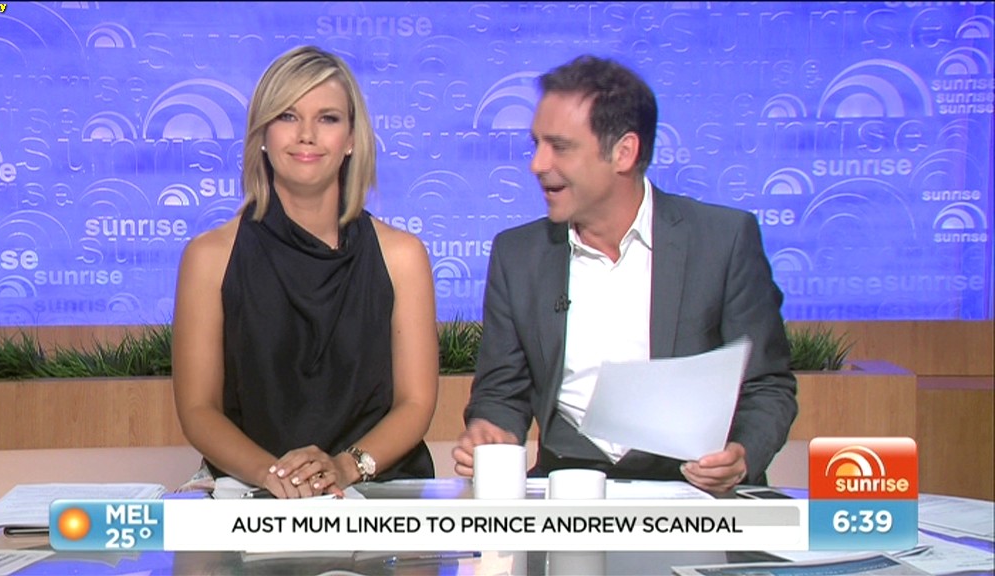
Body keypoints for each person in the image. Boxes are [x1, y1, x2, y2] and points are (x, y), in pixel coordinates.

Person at [453, 55, 797, 494]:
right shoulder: (518, 255)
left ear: (624, 152)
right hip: (569, 492)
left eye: (560, 146)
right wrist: (490, 432)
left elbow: (767, 385)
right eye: (536, 144)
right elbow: (501, 393)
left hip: (694, 494)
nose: (537, 164)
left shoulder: (722, 241)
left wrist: (742, 454)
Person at [172, 46, 439, 498]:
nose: (307, 135)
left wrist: (344, 467)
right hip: (253, 492)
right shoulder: (209, 257)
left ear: (351, 138)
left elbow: (415, 404)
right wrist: (275, 476)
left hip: (376, 488)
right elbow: (199, 410)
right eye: (288, 116)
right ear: (262, 133)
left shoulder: (402, 256)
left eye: (328, 118)